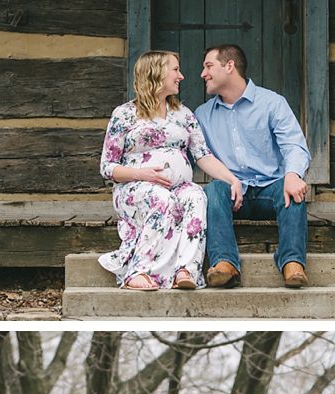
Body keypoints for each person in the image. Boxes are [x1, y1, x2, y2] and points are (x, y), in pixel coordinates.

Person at [98, 50, 243, 291]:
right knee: (162, 198)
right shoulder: (124, 114)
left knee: (197, 196)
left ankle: (186, 270)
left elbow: (202, 155)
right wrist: (142, 174)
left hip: (178, 187)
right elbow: (107, 167)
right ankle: (138, 271)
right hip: (135, 189)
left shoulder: (183, 115)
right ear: (156, 73)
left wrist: (232, 180)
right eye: (175, 70)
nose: (181, 76)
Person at [192, 43, 313, 289]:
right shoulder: (202, 115)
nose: (203, 74)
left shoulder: (272, 103)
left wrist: (292, 174)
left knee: (292, 189)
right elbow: (193, 152)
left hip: (271, 190)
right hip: (233, 194)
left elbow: (295, 145)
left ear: (229, 66)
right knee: (213, 190)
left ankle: (292, 262)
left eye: (208, 66)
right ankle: (225, 262)